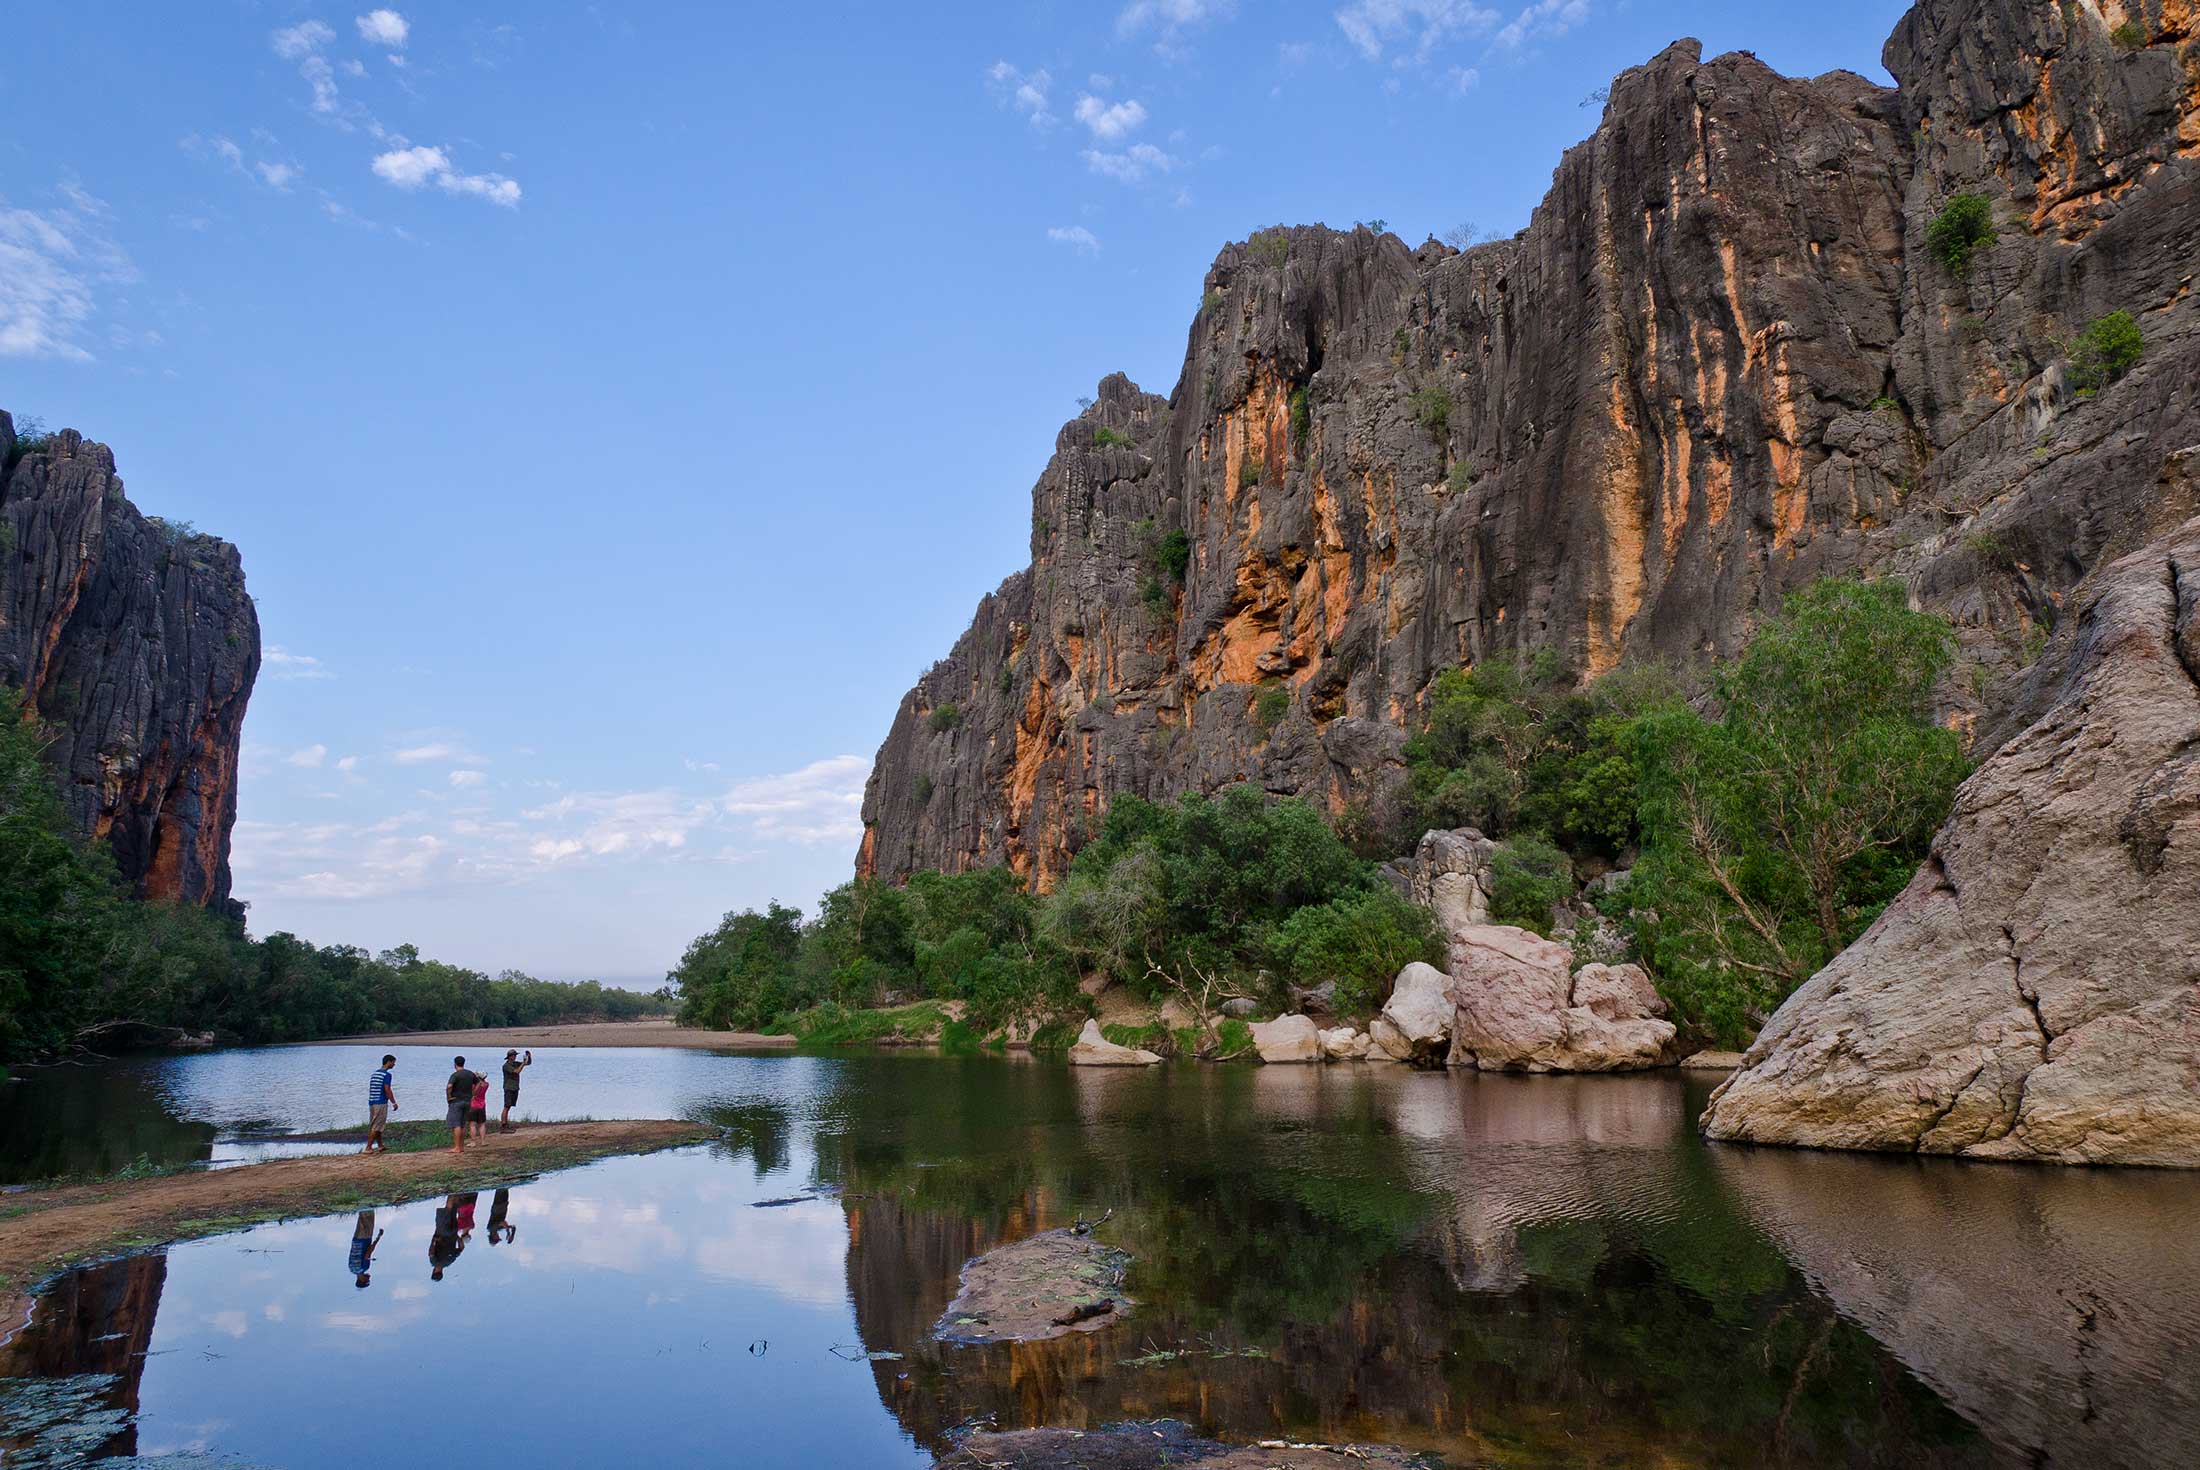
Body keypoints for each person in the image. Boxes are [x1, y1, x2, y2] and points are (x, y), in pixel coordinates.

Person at [445, 1055, 483, 1154]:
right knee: (462, 1124)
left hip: (456, 1101)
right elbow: (479, 1082)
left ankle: (457, 1147)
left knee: (456, 1124)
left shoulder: (455, 1075)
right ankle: (461, 1147)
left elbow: (449, 1086)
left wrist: (449, 1096)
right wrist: (474, 1092)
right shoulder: (470, 1074)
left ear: (455, 1064)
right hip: (467, 1101)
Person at [365, 1054, 398, 1153]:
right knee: (377, 1125)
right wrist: (394, 1102)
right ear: (388, 1062)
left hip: (372, 1102)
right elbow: (387, 1089)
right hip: (380, 1102)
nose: (394, 1064)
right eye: (393, 1062)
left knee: (377, 1124)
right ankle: (368, 1148)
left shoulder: (375, 1073)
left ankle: (380, 1145)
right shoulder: (387, 1075)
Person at [430, 1194, 467, 1281]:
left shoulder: (449, 1262)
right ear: (434, 1272)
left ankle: (458, 1192)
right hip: (442, 1233)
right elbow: (431, 1253)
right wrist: (434, 1241)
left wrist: (458, 1238)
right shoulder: (435, 1263)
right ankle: (452, 1193)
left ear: (442, 1273)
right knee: (447, 1211)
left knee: (453, 1212)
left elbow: (461, 1248)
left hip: (453, 1232)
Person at [498, 1048, 532, 1131]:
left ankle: (505, 1124)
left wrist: (529, 1057)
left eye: (515, 1055)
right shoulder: (506, 1066)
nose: (515, 1057)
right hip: (509, 1088)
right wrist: (523, 1063)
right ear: (510, 1057)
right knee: (506, 1106)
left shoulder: (515, 1063)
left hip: (515, 1087)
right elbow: (517, 1071)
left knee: (509, 1106)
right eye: (514, 1055)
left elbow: (528, 1063)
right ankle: (503, 1125)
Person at [349, 1210, 382, 1287]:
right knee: (362, 1216)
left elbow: (368, 1252)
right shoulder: (351, 1269)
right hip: (356, 1240)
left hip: (365, 1238)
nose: (369, 1277)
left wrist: (378, 1237)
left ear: (362, 1280)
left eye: (367, 1280)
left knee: (369, 1214)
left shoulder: (364, 1268)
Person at [468, 1071, 490, 1141]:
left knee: (472, 1125)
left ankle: (473, 1142)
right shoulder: (486, 1084)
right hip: (482, 1105)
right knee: (482, 1124)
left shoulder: (474, 1085)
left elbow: (473, 1093)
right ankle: (483, 1141)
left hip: (473, 1105)